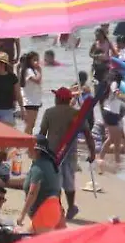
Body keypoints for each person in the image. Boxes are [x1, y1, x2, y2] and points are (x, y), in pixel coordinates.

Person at [38, 87, 95, 221]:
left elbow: (42, 133)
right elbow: (88, 134)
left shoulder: (49, 112)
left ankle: (58, 207)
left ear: (58, 99)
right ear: (69, 100)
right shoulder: (76, 114)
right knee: (69, 182)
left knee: (54, 182)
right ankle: (70, 207)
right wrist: (92, 152)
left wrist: (38, 150)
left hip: (52, 152)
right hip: (69, 152)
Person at [19, 136, 63, 234]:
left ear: (37, 151)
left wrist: (22, 215)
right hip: (53, 210)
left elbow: (32, 193)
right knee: (26, 239)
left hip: (44, 213)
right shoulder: (50, 165)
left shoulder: (38, 167)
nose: (27, 150)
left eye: (29, 147)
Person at [19, 51, 43, 134]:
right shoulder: (28, 70)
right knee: (29, 125)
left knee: (31, 125)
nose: (37, 62)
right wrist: (40, 71)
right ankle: (22, 143)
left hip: (34, 101)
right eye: (34, 60)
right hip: (29, 101)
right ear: (29, 61)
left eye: (38, 60)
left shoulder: (33, 70)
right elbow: (37, 80)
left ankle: (28, 142)